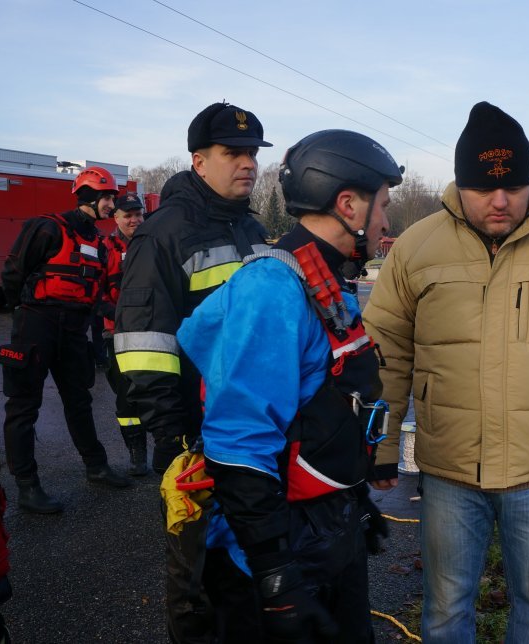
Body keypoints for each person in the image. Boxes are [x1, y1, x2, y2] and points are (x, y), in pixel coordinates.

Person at [364, 102, 529, 643]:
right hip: (449, 472)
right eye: (484, 187)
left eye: (512, 185)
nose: (499, 200)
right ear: (458, 183)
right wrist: (381, 447)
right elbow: (386, 356)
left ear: (528, 181)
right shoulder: (418, 246)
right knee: (444, 612)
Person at [176, 128, 402, 643]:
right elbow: (238, 445)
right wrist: (275, 576)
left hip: (325, 531)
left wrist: (355, 505)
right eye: (383, 206)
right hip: (277, 551)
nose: (386, 222)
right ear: (349, 205)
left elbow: (328, 409)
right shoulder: (273, 289)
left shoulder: (326, 284)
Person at [114, 101, 272, 643]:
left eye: (252, 153)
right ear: (199, 161)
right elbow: (142, 348)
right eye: (233, 153)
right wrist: (179, 439)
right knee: (198, 587)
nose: (247, 164)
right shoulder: (163, 234)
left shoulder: (252, 228)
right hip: (198, 443)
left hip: (253, 439)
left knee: (250, 576)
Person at [0, 166, 131, 514]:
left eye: (112, 197)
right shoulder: (46, 227)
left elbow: (96, 293)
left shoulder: (99, 244)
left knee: (79, 401)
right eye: (107, 197)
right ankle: (27, 487)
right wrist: (21, 311)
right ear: (88, 196)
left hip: (73, 330)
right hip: (37, 324)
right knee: (24, 405)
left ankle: (97, 466)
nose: (111, 204)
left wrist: (120, 314)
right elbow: (14, 272)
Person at [100, 193, 147, 475]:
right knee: (126, 397)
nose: (134, 220)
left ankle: (170, 450)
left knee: (162, 390)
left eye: (138, 214)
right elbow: (94, 293)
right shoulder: (106, 248)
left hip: (155, 330)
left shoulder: (154, 243)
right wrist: (117, 315)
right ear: (115, 218)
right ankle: (137, 453)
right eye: (127, 215)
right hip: (117, 334)